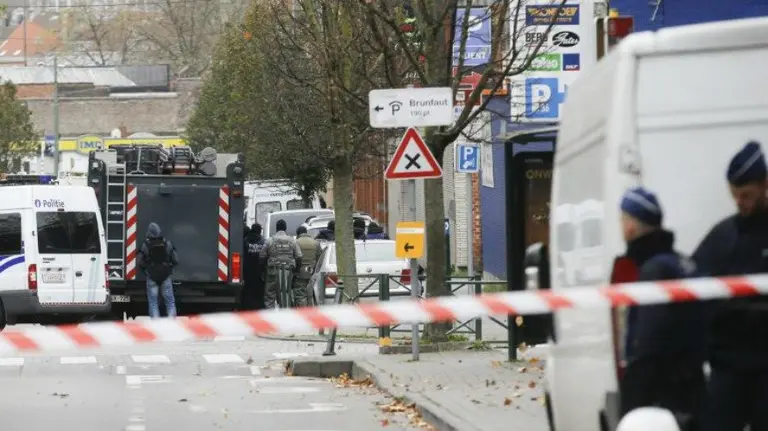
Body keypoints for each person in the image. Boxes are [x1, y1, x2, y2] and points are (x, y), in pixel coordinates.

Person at [693, 141, 768, 431]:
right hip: (728, 369)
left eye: (746, 195)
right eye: (735, 195)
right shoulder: (722, 237)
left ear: (765, 185)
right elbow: (695, 291)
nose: (740, 202)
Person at [617, 187, 707, 426]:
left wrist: (633, 400)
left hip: (663, 398)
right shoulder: (683, 263)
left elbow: (648, 342)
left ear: (630, 227)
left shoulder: (654, 271)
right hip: (694, 390)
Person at [137, 222, 179, 319]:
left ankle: (156, 326)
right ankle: (172, 323)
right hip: (165, 276)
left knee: (153, 302)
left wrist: (146, 270)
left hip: (152, 276)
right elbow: (176, 260)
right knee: (170, 302)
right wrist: (169, 268)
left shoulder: (145, 245)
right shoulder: (167, 243)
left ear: (149, 232)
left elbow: (139, 262)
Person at [260, 219, 302, 309]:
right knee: (286, 292)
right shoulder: (292, 241)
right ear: (285, 228)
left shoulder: (269, 240)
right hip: (288, 271)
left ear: (276, 228)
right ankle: (286, 315)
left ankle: (270, 316)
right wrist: (297, 270)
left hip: (272, 271)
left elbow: (262, 256)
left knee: (270, 295)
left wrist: (263, 269)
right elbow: (299, 256)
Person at [294, 226, 322, 307]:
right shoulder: (315, 243)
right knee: (310, 294)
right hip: (312, 272)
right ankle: (311, 312)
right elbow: (319, 258)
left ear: (298, 234)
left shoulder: (296, 242)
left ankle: (304, 313)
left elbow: (294, 257)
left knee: (300, 294)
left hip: (300, 273)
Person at [243, 223, 267, 310]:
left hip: (246, 272)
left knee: (248, 291)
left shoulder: (245, 241)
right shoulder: (263, 242)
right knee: (259, 292)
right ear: (260, 231)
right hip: (259, 272)